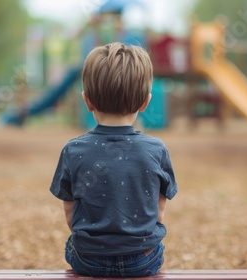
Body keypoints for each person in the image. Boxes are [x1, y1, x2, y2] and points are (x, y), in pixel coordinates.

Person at [50, 42, 178, 277]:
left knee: (72, 244)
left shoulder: (73, 150)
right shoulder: (156, 150)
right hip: (142, 260)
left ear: (87, 101)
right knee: (156, 247)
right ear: (145, 102)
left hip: (88, 260)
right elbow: (159, 213)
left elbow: (69, 212)